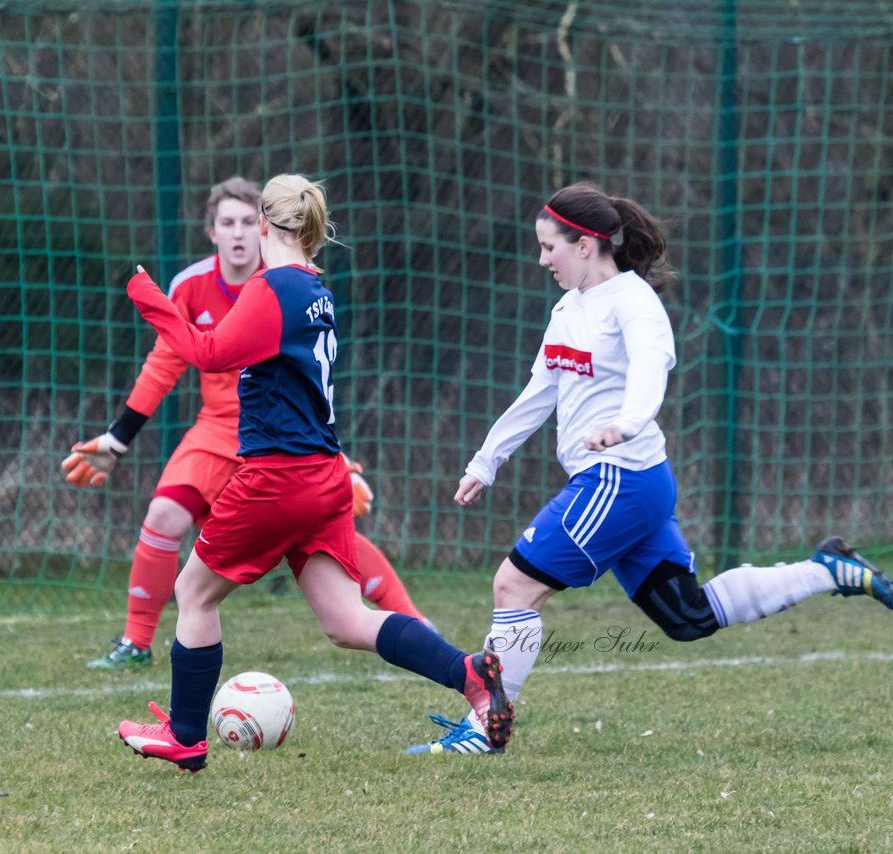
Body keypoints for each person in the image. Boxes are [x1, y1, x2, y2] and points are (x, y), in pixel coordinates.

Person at [417, 183, 893, 755]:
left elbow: (652, 368)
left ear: (587, 244)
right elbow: (538, 394)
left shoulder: (634, 301)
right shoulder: (568, 309)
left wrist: (627, 422)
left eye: (550, 248)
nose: (543, 259)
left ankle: (485, 732)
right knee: (687, 615)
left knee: (513, 585)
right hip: (633, 484)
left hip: (619, 476)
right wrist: (485, 462)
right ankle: (829, 569)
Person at [115, 174, 513, 771]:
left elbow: (208, 355)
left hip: (278, 476)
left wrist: (150, 299)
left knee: (193, 591)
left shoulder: (271, 288)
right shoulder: (314, 289)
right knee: (347, 621)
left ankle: (187, 737)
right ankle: (470, 674)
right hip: (321, 473)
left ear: (266, 224)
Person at [62, 176, 429, 671]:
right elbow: (165, 363)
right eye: (226, 223)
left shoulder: (283, 285)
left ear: (263, 226)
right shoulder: (200, 285)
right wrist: (118, 438)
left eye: (244, 221)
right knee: (164, 516)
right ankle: (135, 642)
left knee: (321, 549)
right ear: (211, 231)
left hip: (278, 445)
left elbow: (298, 380)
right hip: (218, 434)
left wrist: (340, 461)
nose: (237, 233)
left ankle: (414, 622)